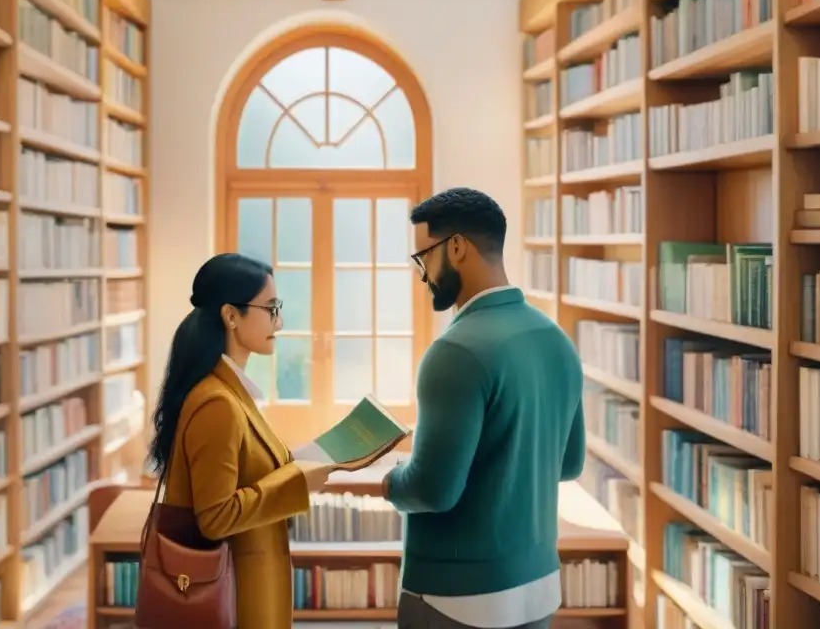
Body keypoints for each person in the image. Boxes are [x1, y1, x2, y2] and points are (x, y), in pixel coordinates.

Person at [380, 188, 586, 629]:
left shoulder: (454, 351)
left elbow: (433, 491)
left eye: (423, 259)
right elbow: (568, 464)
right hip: (538, 586)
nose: (422, 275)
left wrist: (389, 480)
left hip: (458, 595)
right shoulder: (557, 340)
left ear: (456, 247)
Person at [148, 252, 334, 629]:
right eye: (270, 309)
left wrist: (296, 463)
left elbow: (244, 471)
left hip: (248, 583)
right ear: (231, 316)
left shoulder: (230, 390)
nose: (278, 323)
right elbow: (215, 517)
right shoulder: (217, 402)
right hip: (233, 594)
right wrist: (297, 481)